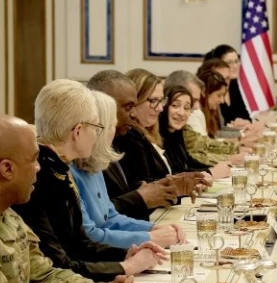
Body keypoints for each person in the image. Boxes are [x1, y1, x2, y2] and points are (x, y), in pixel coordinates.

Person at [0, 114, 134, 283]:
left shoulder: (9, 217)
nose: (39, 168)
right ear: (7, 169)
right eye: (34, 159)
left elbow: (43, 277)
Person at [12, 79, 167, 282]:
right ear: (78, 131)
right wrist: (125, 266)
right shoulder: (41, 177)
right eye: (96, 127)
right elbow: (57, 263)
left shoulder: (58, 169)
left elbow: (80, 243)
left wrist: (126, 254)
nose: (97, 135)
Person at [87, 70, 207, 221]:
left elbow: (120, 199)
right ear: (104, 106)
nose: (133, 114)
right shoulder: (86, 156)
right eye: (128, 107)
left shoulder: (113, 144)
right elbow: (96, 220)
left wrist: (172, 185)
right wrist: (141, 198)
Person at [71, 91, 185, 249]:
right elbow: (89, 235)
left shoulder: (94, 163)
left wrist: (153, 228)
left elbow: (111, 218)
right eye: (112, 125)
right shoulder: (70, 171)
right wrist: (150, 237)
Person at [160, 85, 230, 177]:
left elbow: (189, 161)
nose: (181, 113)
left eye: (186, 108)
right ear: (164, 106)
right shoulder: (158, 135)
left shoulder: (177, 132)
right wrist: (210, 172)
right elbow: (175, 173)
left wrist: (213, 169)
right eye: (175, 105)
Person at [203, 44, 252, 124]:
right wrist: (232, 127)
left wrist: (245, 122)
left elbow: (246, 116)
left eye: (236, 61)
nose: (235, 66)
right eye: (230, 62)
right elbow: (213, 124)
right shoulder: (211, 88)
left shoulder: (236, 85)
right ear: (218, 65)